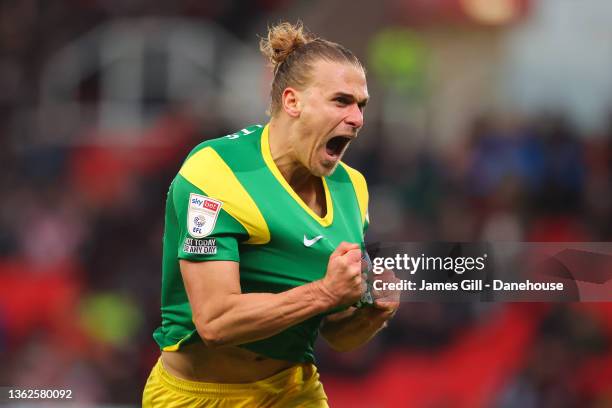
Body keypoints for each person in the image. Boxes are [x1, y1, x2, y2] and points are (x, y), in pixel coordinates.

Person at [142, 21, 399, 407]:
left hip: (293, 392)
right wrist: (325, 291)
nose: (357, 119)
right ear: (293, 102)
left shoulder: (353, 189)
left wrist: (372, 312)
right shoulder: (219, 171)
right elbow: (214, 322)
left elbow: (337, 336)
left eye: (361, 105)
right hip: (198, 396)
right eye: (341, 101)